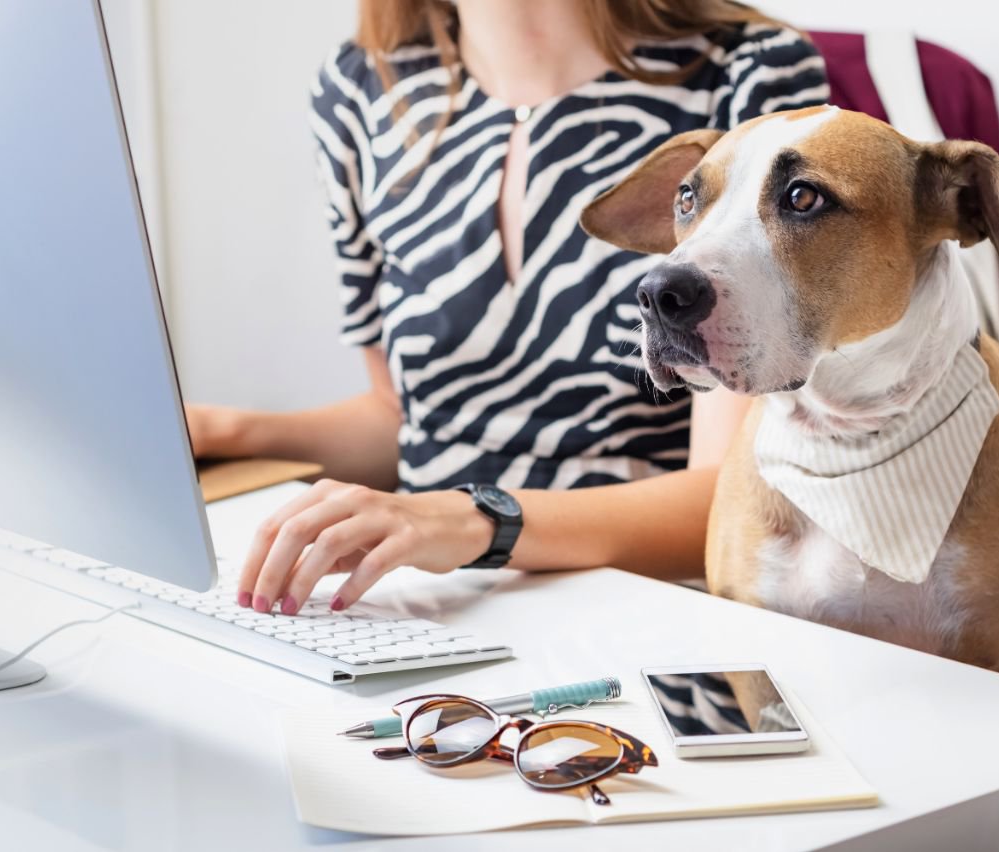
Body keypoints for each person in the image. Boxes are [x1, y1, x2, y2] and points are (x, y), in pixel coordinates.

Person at [186, 0, 829, 615]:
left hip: (640, 604)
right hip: (414, 597)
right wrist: (231, 433)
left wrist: (472, 520)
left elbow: (732, 500)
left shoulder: (749, 72)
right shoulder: (359, 89)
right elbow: (403, 416)